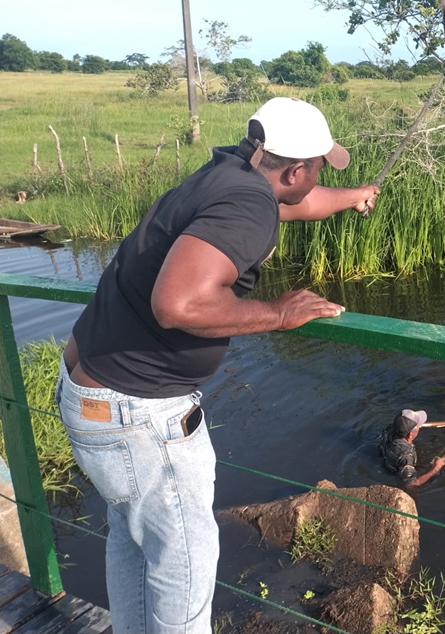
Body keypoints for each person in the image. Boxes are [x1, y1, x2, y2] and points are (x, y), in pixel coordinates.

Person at [54, 96, 379, 634]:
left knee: (136, 546)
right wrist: (277, 314)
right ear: (295, 170)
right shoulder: (247, 206)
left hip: (95, 394)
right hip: (140, 416)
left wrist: (352, 197)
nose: (320, 175)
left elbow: (295, 204)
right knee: (184, 567)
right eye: (320, 167)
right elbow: (178, 304)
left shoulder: (228, 175)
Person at [379, 410, 445, 487]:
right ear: (410, 434)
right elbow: (410, 484)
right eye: (418, 426)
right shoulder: (406, 456)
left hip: (386, 459)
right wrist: (435, 469)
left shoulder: (391, 429)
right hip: (395, 473)